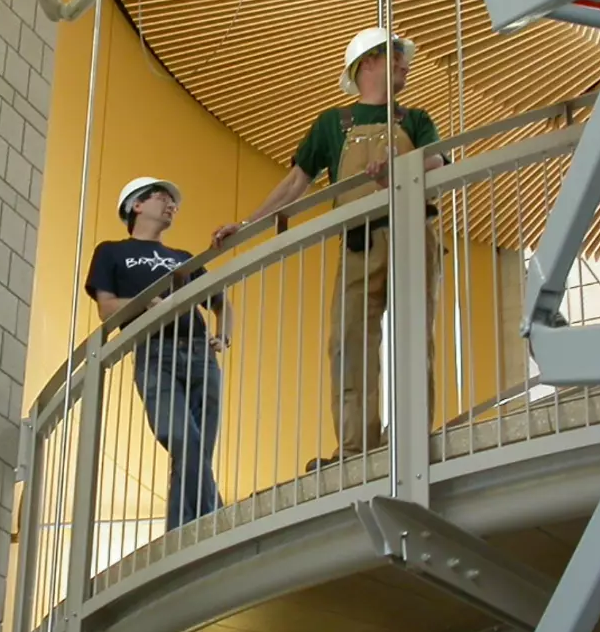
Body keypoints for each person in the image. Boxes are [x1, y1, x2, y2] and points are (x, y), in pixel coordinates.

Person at [212, 28, 445, 471]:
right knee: (348, 342)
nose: (404, 64)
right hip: (357, 241)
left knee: (414, 336)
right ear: (369, 62)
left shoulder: (415, 118)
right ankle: (356, 448)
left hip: (413, 234)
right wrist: (246, 225)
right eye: (396, 56)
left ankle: (412, 434)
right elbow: (296, 182)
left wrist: (397, 167)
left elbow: (436, 161)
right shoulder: (333, 124)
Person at [86, 177, 233, 530]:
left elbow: (219, 300)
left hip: (199, 353)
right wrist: (143, 304)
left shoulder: (182, 258)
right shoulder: (112, 251)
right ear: (136, 205)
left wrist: (223, 334)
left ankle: (181, 532)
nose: (171, 205)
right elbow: (106, 309)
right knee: (182, 436)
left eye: (173, 201)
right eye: (161, 197)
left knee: (196, 449)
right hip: (155, 353)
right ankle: (215, 519)